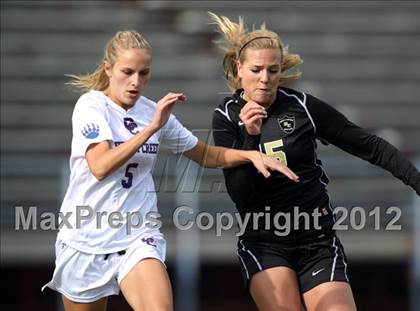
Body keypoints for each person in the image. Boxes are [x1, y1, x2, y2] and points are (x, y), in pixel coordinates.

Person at [41, 30, 299, 311]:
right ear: (108, 68)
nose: (135, 82)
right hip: (85, 238)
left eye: (144, 73)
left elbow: (206, 155)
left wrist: (249, 154)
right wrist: (151, 128)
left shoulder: (151, 111)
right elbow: (100, 166)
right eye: (127, 72)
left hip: (137, 236)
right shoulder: (92, 106)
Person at [209, 12, 420, 311]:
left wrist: (417, 181)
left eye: (273, 69)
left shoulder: (302, 107)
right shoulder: (227, 116)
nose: (265, 78)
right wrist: (251, 138)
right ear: (239, 68)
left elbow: (369, 146)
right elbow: (240, 193)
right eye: (256, 69)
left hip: (317, 240)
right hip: (266, 240)